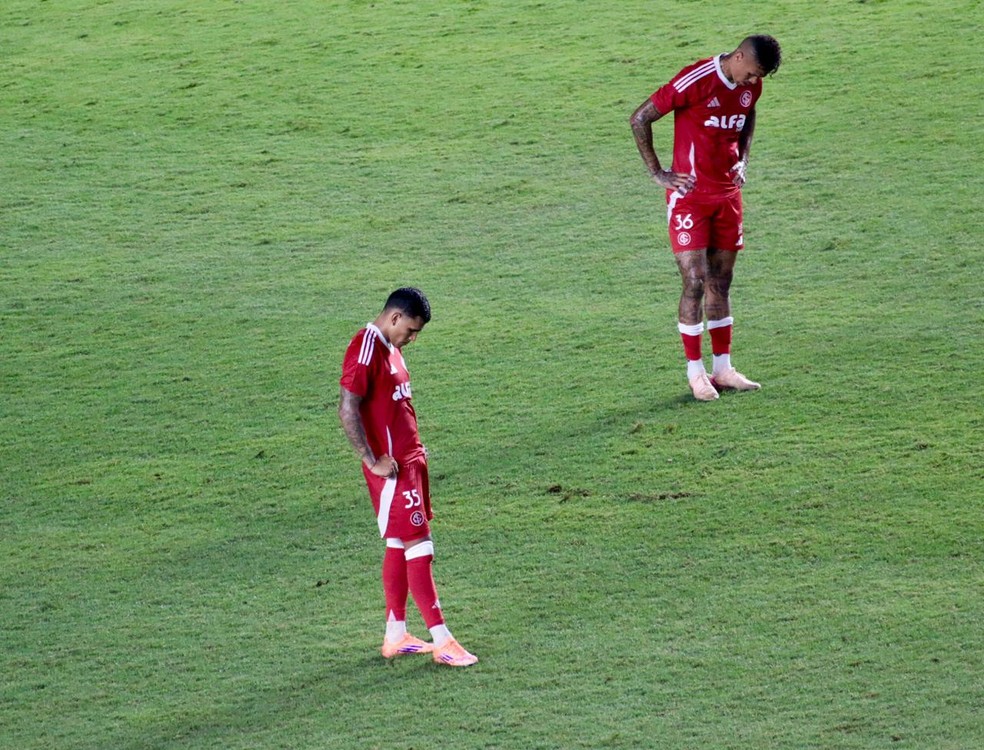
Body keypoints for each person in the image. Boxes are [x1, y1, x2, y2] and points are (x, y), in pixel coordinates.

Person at [630, 35, 782, 401]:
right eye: (751, 74)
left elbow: (749, 113)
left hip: (728, 197)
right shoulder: (695, 79)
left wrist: (744, 157)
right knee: (695, 280)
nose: (752, 82)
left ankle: (723, 369)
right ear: (740, 55)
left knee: (722, 281)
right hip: (690, 200)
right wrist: (658, 172)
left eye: (757, 78)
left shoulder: (752, 86)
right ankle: (695, 373)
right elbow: (640, 118)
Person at [338, 287, 478, 667]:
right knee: (420, 545)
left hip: (410, 461)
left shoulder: (391, 347)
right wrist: (370, 460)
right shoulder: (366, 347)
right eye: (411, 331)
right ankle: (443, 640)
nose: (413, 339)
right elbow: (347, 407)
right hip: (393, 470)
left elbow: (396, 406)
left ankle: (396, 634)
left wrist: (415, 447)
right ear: (395, 317)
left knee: (400, 544)